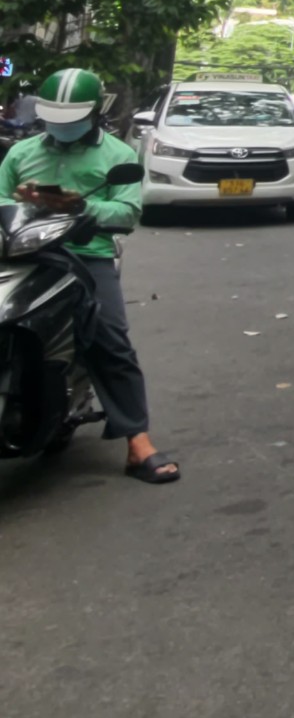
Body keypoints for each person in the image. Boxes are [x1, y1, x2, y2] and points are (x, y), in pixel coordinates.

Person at [0, 68, 176, 483]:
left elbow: (127, 213)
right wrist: (23, 201)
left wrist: (80, 207)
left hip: (84, 255)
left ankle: (137, 441)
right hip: (20, 253)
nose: (62, 127)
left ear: (95, 113)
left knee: (109, 338)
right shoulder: (20, 153)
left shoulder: (118, 155)